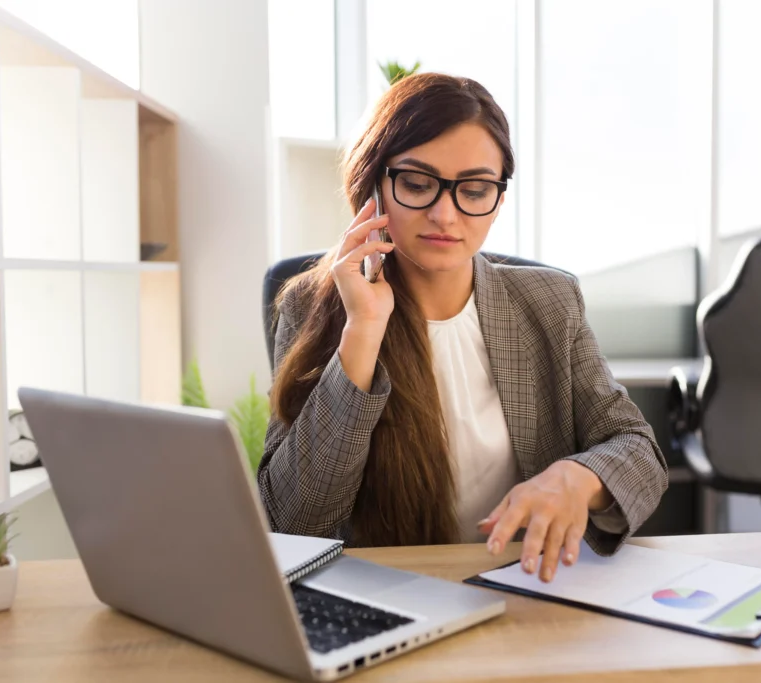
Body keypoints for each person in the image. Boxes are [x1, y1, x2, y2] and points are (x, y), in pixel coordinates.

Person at [258, 73, 668, 583]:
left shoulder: (549, 301)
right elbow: (297, 522)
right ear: (374, 187)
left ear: (496, 200)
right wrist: (362, 331)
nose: (445, 214)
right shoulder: (310, 305)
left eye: (474, 190)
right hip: (388, 598)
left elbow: (637, 451)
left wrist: (579, 478)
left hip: (526, 591)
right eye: (416, 183)